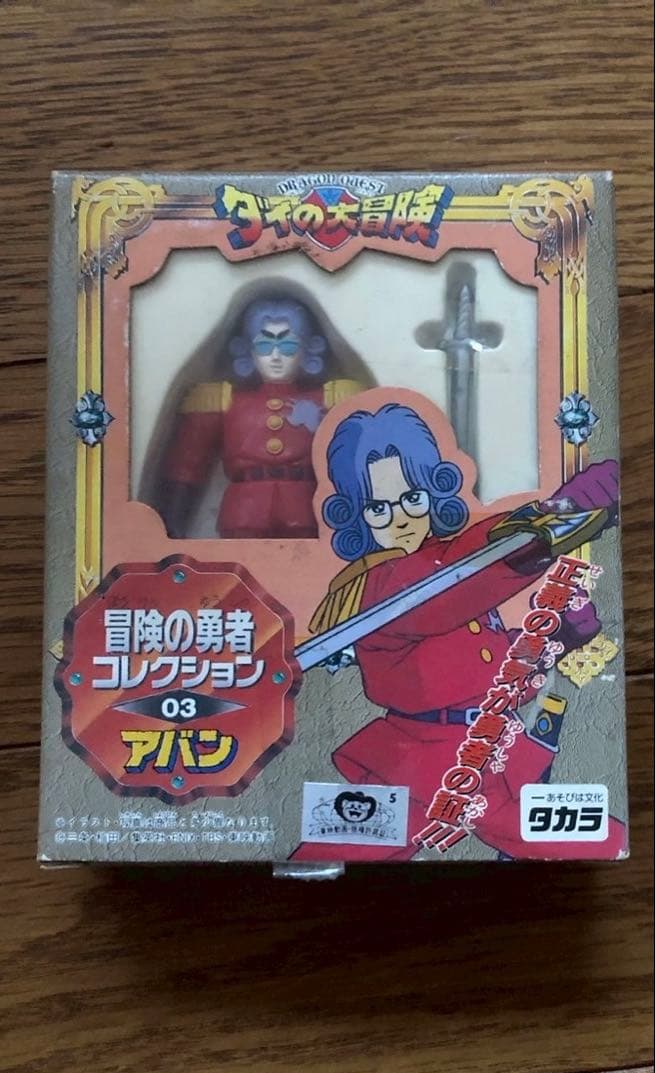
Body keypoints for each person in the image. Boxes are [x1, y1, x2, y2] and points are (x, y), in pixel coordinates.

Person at [291, 403, 626, 861]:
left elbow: (487, 661)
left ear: (434, 491)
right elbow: (450, 589)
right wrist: (553, 517)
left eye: (412, 498)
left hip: (483, 750)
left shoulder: (447, 566)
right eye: (378, 508)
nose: (400, 519)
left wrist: (559, 636)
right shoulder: (377, 588)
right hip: (426, 762)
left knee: (344, 846)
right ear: (356, 515)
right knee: (594, 836)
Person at [158, 298, 363, 539]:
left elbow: (355, 464)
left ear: (308, 349)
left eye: (287, 346)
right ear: (248, 351)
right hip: (243, 511)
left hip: (306, 511)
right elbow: (188, 465)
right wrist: (173, 525)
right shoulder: (220, 400)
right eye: (264, 345)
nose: (275, 356)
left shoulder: (331, 398)